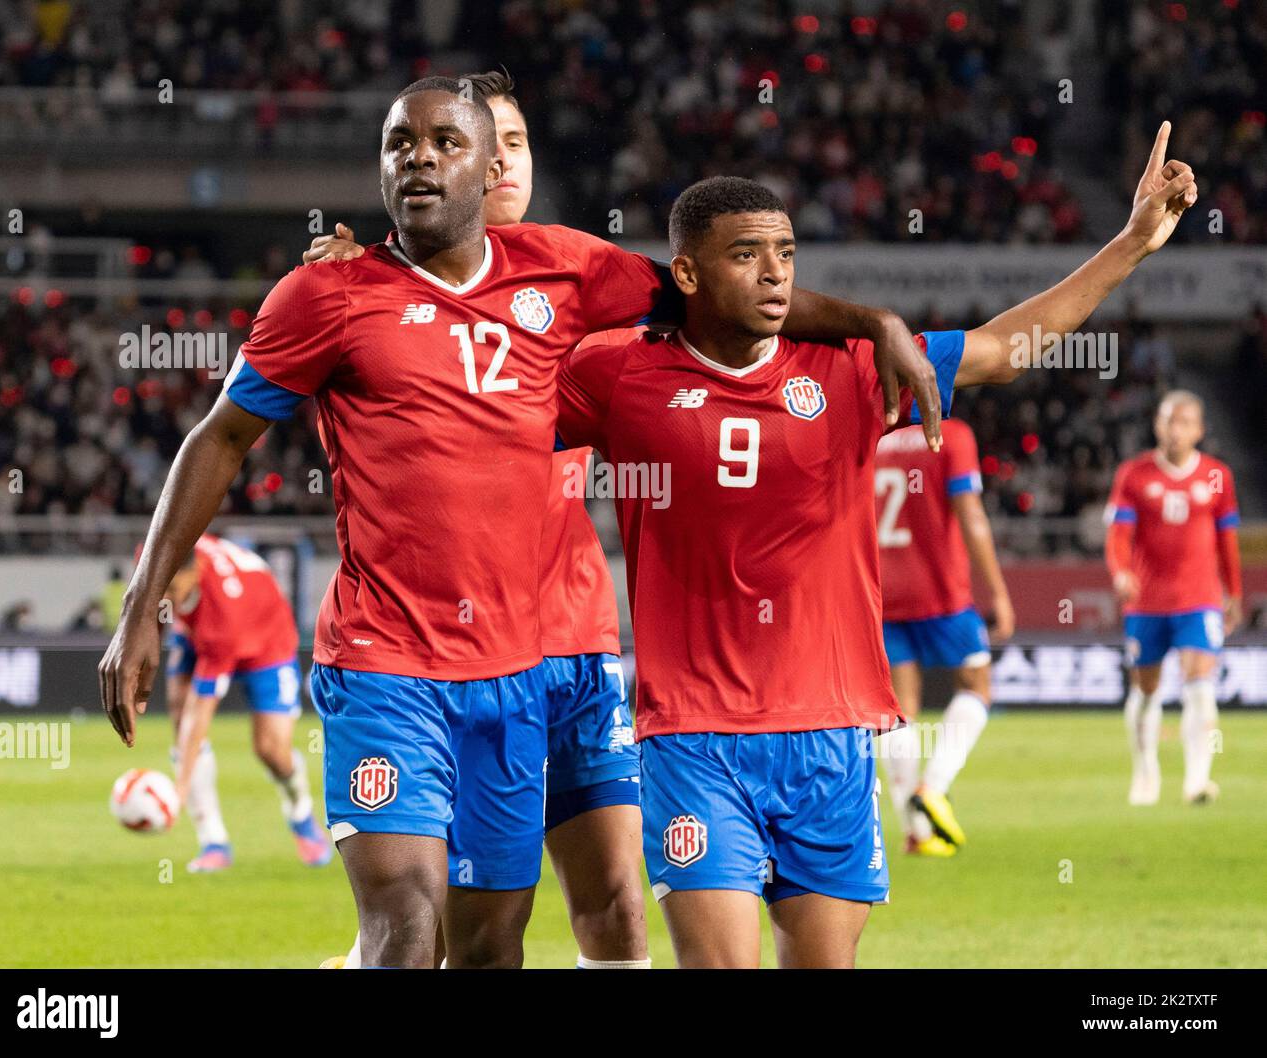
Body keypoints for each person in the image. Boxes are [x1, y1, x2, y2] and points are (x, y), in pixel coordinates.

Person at [97, 75, 946, 969]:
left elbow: (716, 294)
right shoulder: (326, 296)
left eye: (444, 143)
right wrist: (141, 607)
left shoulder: (567, 269)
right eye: (398, 144)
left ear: (490, 165)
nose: (419, 157)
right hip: (385, 664)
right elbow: (220, 437)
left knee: (498, 942)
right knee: (407, 921)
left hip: (517, 675)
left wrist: (872, 323)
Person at [555, 121, 1198, 967]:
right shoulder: (614, 375)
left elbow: (1006, 352)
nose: (776, 271)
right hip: (692, 736)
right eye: (746, 254)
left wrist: (1130, 244)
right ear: (687, 273)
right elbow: (487, 388)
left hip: (831, 736)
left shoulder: (854, 368)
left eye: (785, 251)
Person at [308, 71, 647, 970]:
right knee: (425, 923)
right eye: (471, 141)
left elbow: (718, 329)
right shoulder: (368, 291)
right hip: (431, 650)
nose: (499, 161)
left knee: (613, 901)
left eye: (516, 143)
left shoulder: (578, 284)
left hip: (572, 637)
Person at [874, 417, 1015, 855]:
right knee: (977, 687)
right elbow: (971, 514)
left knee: (900, 709)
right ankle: (933, 788)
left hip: (880, 591)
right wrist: (998, 591)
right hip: (942, 594)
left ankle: (917, 832)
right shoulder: (949, 434)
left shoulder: (870, 429)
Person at [161, 534, 332, 871]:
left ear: (194, 574)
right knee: (179, 714)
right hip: (203, 624)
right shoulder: (165, 547)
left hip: (267, 641)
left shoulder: (221, 619)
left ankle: (301, 817)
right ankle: (214, 841)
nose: (164, 601)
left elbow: (203, 710)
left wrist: (178, 787)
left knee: (270, 750)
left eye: (171, 592)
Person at [1105, 390, 1241, 805]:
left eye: (1184, 422)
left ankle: (1197, 780)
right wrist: (1121, 571)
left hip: (1199, 598)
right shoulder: (1134, 474)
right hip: (1147, 601)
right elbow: (1118, 534)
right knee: (1146, 689)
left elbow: (1227, 540)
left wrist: (1233, 591)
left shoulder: (1218, 476)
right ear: (1156, 425)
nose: (1175, 429)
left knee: (1200, 683)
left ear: (1199, 429)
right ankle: (1146, 772)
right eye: (1168, 420)